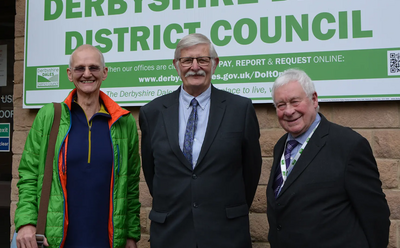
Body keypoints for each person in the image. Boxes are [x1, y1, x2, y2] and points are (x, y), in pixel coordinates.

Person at [139, 33, 262, 248]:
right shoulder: (153, 112)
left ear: (215, 64)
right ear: (176, 65)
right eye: (187, 60)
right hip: (171, 233)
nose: (195, 67)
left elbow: (251, 171)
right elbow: (152, 173)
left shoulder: (240, 109)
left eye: (203, 60)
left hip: (225, 234)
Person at [15, 44, 141, 248]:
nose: (87, 74)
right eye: (80, 68)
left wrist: (130, 236)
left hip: (107, 239)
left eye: (94, 67)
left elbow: (131, 186)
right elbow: (29, 175)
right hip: (57, 239)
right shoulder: (50, 116)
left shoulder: (123, 122)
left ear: (105, 72)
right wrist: (26, 223)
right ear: (69, 74)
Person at [266, 68, 390, 248]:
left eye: (295, 101)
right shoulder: (281, 146)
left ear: (314, 99)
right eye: (281, 105)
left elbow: (375, 216)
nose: (289, 111)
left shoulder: (348, 145)